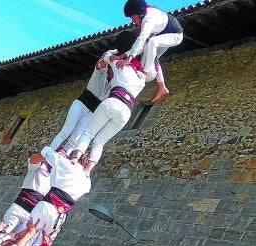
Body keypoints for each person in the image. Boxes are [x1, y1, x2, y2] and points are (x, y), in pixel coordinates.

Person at [74, 31, 147, 174]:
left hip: (113, 101)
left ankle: (74, 159)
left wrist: (119, 54)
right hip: (126, 112)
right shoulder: (141, 77)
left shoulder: (117, 63)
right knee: (100, 141)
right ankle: (87, 171)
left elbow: (106, 56)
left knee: (88, 133)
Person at [118, 0, 184, 103]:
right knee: (152, 54)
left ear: (140, 14)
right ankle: (162, 88)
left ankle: (145, 73)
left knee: (152, 42)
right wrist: (123, 55)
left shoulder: (149, 18)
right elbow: (140, 45)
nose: (133, 21)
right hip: (163, 34)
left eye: (133, 18)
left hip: (176, 36)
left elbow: (142, 38)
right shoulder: (144, 17)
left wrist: (129, 59)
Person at [49, 59, 110, 153]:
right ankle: (48, 154)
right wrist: (112, 57)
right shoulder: (100, 73)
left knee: (74, 140)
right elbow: (100, 64)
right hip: (80, 105)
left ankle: (61, 158)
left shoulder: (115, 84)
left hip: (90, 114)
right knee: (65, 132)